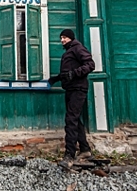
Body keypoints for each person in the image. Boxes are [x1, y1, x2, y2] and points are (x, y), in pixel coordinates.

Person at [48, 29, 95, 170]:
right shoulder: (69, 51)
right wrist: (56, 78)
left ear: (71, 38)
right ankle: (85, 150)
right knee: (75, 119)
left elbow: (90, 65)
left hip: (78, 89)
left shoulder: (78, 48)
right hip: (71, 89)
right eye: (61, 38)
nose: (62, 40)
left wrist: (74, 74)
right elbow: (68, 72)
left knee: (70, 120)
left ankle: (69, 155)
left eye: (65, 37)